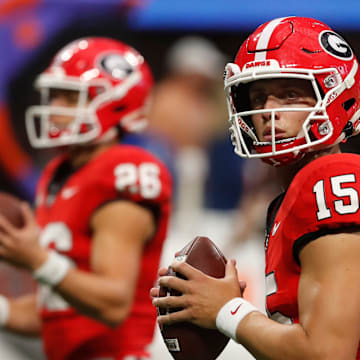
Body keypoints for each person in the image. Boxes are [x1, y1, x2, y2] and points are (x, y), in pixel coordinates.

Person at [152, 16, 360, 359]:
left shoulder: (332, 176)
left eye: (290, 94)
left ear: (336, 94)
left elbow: (327, 353)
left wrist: (228, 311)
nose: (268, 112)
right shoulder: (291, 192)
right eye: (259, 97)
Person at [0, 37, 172, 360]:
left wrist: (37, 260)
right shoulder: (58, 173)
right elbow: (58, 314)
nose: (55, 109)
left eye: (70, 97)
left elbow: (113, 303)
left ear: (117, 102)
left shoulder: (124, 170)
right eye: (54, 96)